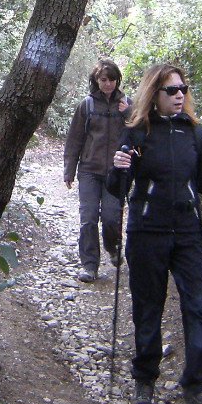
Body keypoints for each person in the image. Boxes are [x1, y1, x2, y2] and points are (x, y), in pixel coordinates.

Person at [107, 62, 202, 404]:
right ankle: (144, 382)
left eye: (183, 89)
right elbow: (116, 188)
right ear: (153, 94)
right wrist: (119, 168)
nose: (179, 96)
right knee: (148, 308)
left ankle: (196, 389)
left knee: (197, 308)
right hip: (147, 233)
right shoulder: (137, 132)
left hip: (188, 233)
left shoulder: (194, 133)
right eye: (171, 90)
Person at [63, 59, 130, 284]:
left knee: (112, 217)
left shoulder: (127, 104)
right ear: (96, 80)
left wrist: (128, 114)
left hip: (116, 173)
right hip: (89, 171)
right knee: (88, 218)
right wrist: (69, 170)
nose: (108, 84)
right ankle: (89, 265)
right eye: (103, 79)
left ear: (117, 80)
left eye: (112, 80)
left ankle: (113, 248)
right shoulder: (87, 105)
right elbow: (75, 139)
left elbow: (141, 133)